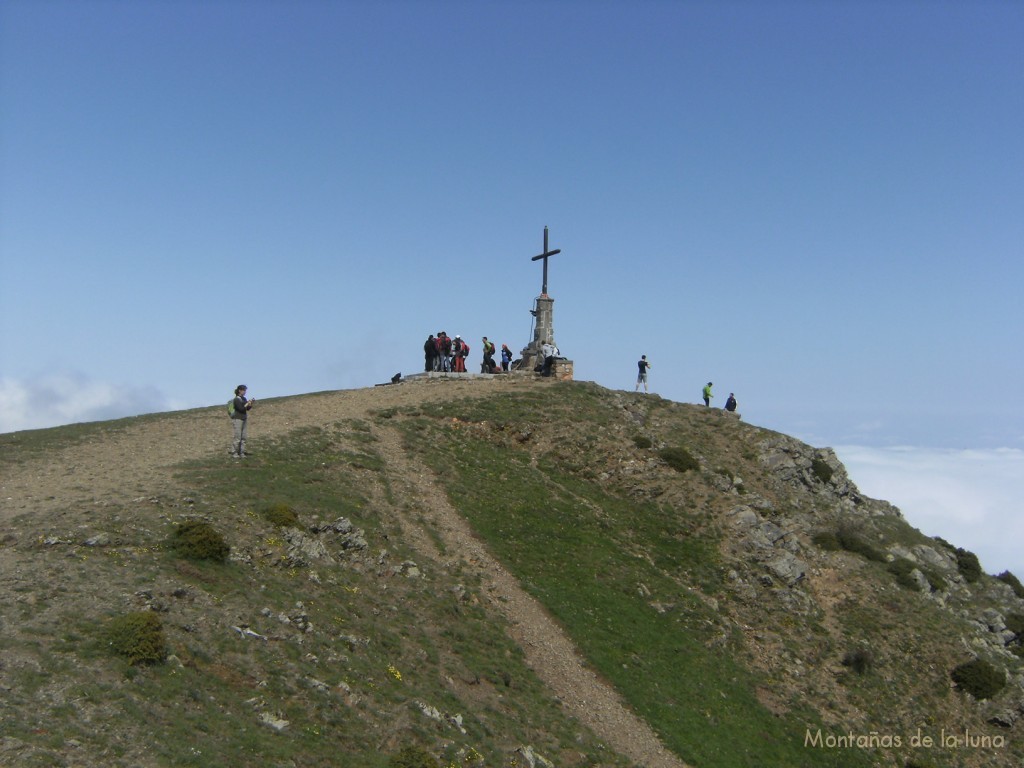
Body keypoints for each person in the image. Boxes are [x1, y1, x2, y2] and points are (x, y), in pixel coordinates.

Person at [230, 384, 255, 458]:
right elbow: (241, 409)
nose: (245, 392)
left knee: (243, 437)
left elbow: (247, 409)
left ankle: (242, 452)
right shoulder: (236, 399)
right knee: (238, 437)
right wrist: (247, 404)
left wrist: (250, 404)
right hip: (238, 419)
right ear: (240, 391)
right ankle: (234, 452)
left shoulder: (244, 399)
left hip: (244, 418)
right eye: (244, 390)